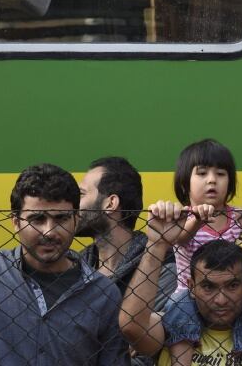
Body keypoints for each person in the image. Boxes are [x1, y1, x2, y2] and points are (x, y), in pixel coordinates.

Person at [119, 200, 242, 366]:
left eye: (232, 285)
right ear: (191, 287)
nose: (221, 300)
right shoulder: (171, 327)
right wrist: (156, 244)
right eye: (208, 287)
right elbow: (131, 325)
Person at [0, 163, 129, 365]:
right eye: (37, 219)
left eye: (61, 218)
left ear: (76, 220)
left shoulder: (103, 294)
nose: (49, 232)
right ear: (16, 222)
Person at [160, 139, 242, 365]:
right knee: (177, 309)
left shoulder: (238, 217)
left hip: (235, 294)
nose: (212, 180)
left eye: (220, 174)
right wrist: (196, 221)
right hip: (190, 295)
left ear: (230, 183)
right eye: (202, 173)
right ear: (184, 184)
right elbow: (179, 239)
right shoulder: (183, 217)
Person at [76, 156, 178, 366]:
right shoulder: (76, 268)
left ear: (110, 203)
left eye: (81, 194)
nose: (71, 205)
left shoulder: (163, 267)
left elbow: (149, 351)